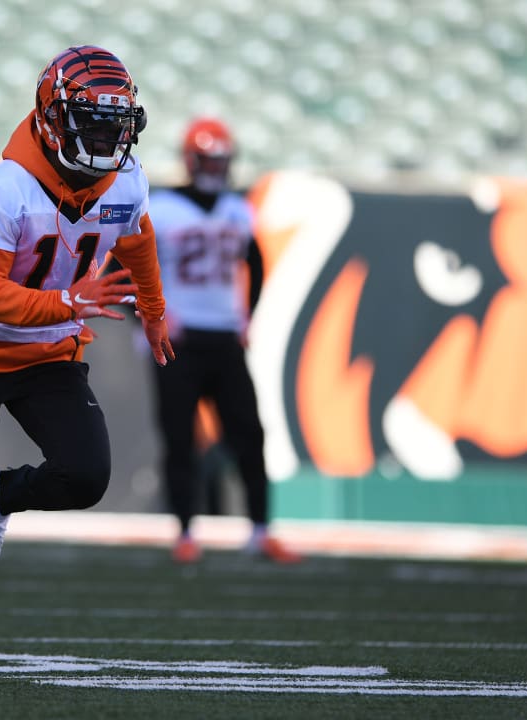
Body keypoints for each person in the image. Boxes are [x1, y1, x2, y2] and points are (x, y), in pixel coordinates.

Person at [0, 45, 174, 682]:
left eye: (117, 121)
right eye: (93, 119)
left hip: (49, 352)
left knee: (86, 476)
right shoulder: (3, 187)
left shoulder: (125, 180)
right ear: (53, 118)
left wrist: (155, 310)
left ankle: (0, 495)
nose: (109, 135)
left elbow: (137, 236)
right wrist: (68, 300)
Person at [149, 117, 300, 565]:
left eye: (221, 159)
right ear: (191, 160)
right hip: (178, 341)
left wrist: (247, 316)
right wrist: (153, 316)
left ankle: (259, 530)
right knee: (178, 437)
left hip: (225, 338)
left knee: (250, 435)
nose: (215, 167)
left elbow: (256, 261)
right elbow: (125, 269)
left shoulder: (238, 210)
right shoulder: (161, 208)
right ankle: (185, 533)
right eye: (208, 158)